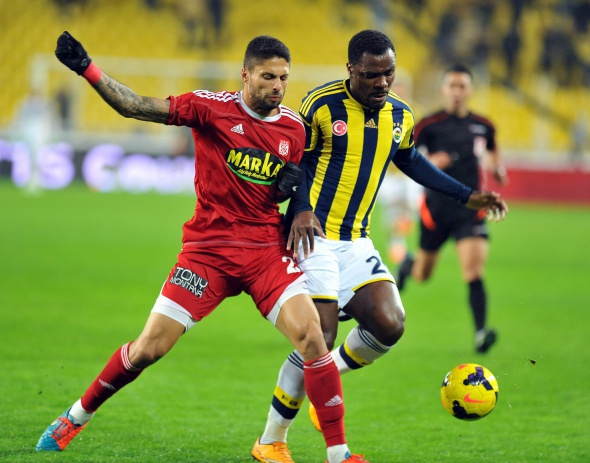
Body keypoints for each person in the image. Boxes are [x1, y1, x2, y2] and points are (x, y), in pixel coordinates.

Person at [36, 31, 369, 463]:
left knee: (313, 338)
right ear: (245, 74)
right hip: (208, 252)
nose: (277, 87)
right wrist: (87, 68)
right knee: (149, 348)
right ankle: (76, 416)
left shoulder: (292, 127)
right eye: (268, 77)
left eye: (284, 78)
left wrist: (295, 196)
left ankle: (339, 454)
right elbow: (134, 106)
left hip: (264, 252)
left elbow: (293, 180)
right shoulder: (209, 108)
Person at [252, 30, 507, 463]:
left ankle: (325, 378)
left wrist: (467, 195)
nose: (382, 82)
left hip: (356, 239)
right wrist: (301, 209)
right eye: (372, 74)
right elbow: (297, 162)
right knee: (319, 336)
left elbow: (411, 160)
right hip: (313, 236)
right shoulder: (321, 104)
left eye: (388, 72)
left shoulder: (400, 115)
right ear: (351, 69)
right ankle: (272, 440)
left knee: (390, 323)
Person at [396, 63, 509, 354]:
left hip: (470, 209)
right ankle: (408, 265)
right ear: (443, 90)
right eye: (452, 86)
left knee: (473, 271)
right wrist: (432, 163)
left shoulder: (483, 125)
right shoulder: (428, 125)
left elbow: (492, 148)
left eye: (462, 86)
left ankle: (481, 332)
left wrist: (497, 168)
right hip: (435, 209)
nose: (457, 91)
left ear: (470, 90)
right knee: (423, 275)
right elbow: (405, 157)